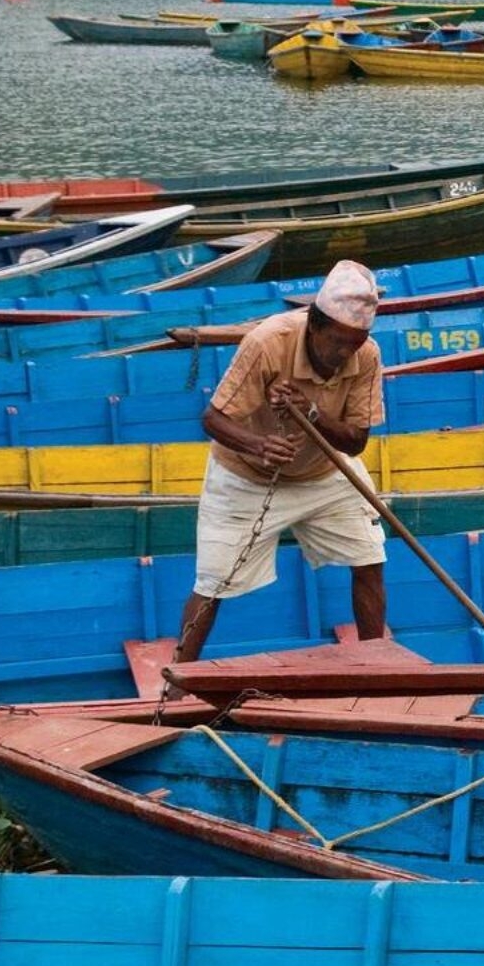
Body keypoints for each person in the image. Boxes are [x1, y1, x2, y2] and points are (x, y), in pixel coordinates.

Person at [173, 260, 388, 667]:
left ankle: (377, 664)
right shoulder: (268, 342)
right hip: (245, 476)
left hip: (326, 472)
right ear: (315, 325)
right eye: (338, 342)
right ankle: (177, 682)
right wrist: (258, 445)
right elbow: (213, 419)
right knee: (212, 583)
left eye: (356, 343)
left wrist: (310, 413)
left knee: (370, 558)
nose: (346, 354)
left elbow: (356, 442)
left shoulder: (367, 356)